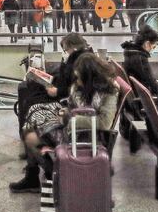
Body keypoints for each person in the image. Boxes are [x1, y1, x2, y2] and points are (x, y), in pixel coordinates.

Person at [10, 52, 118, 193]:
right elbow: (75, 105)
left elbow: (105, 122)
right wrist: (66, 112)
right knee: (34, 111)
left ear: (89, 77)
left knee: (30, 135)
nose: (77, 80)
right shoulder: (84, 87)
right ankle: (39, 173)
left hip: (83, 135)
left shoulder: (108, 92)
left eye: (79, 77)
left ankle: (53, 173)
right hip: (72, 123)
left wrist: (70, 118)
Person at [121, 25, 158, 95]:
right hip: (143, 96)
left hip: (137, 93)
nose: (152, 50)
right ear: (147, 44)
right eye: (153, 47)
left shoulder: (130, 53)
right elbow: (153, 85)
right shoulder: (140, 59)